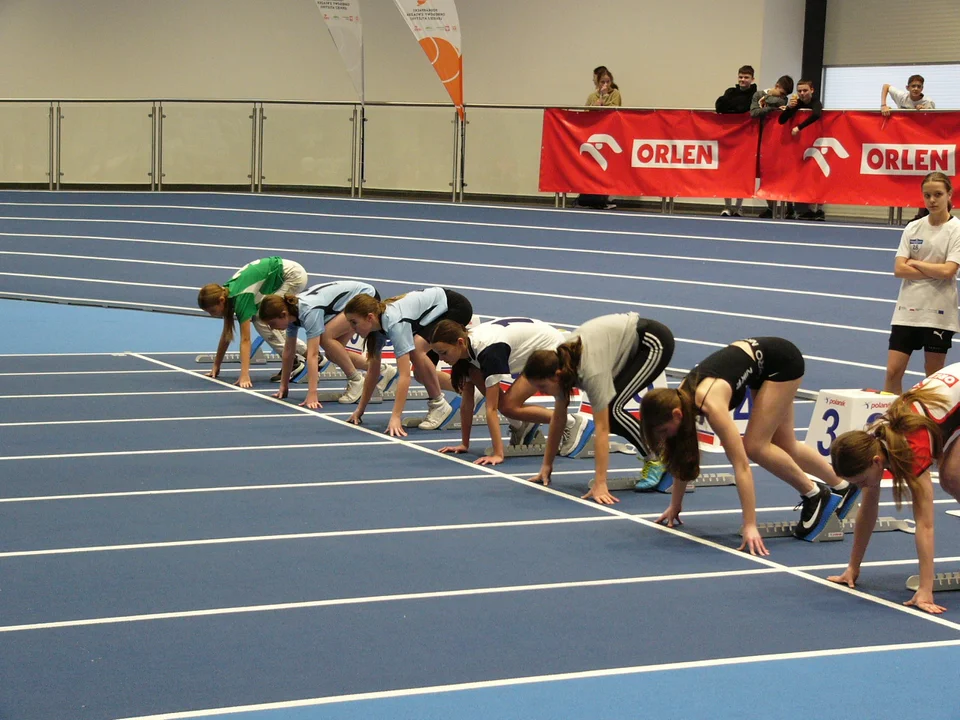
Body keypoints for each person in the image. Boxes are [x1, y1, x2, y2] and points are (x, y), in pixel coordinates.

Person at [640, 338, 859, 554]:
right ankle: (842, 487)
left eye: (663, 430)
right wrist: (675, 505)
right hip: (761, 365)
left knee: (755, 447)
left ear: (676, 415)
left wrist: (750, 524)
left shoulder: (711, 404)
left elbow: (741, 466)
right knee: (784, 444)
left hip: (781, 363)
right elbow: (683, 451)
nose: (664, 436)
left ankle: (815, 494)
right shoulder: (677, 399)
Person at [828, 365, 960, 614]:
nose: (862, 487)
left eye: (861, 481)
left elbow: (926, 524)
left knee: (951, 476)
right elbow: (868, 511)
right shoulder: (875, 446)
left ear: (877, 463)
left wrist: (926, 588)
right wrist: (853, 568)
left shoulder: (912, 448)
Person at [521, 314, 675, 505]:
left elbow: (602, 429)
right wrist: (546, 465)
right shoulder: (561, 365)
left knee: (612, 411)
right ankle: (657, 452)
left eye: (543, 387)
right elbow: (558, 418)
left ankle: (657, 456)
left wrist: (600, 483)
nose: (542, 393)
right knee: (611, 409)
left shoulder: (590, 371)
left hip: (653, 342)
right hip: (623, 346)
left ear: (557, 376)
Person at [429, 316, 567, 465]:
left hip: (551, 350)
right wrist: (464, 444)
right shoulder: (465, 353)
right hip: (532, 346)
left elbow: (492, 408)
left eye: (444, 352)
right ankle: (525, 423)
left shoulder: (489, 351)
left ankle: (571, 423)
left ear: (459, 342)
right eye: (438, 354)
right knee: (499, 397)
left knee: (508, 406)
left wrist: (498, 454)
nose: (441, 359)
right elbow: (467, 403)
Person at [343, 287, 473, 436]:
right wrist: (360, 410)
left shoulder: (394, 323)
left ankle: (438, 404)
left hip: (453, 307)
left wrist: (396, 417)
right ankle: (470, 391)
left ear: (370, 317)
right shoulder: (376, 331)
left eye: (354, 322)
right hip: (432, 314)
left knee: (417, 348)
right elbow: (373, 372)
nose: (352, 328)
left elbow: (403, 376)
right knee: (419, 374)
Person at [883, 172, 960, 395]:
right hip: (907, 311)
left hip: (939, 312)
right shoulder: (913, 228)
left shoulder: (956, 230)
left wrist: (915, 264)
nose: (932, 200)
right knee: (892, 372)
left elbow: (948, 271)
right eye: (927, 195)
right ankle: (892, 423)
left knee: (933, 377)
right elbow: (899, 269)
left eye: (938, 194)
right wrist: (932, 269)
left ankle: (935, 427)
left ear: (949, 195)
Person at [258, 280, 380, 409]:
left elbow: (313, 355)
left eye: (272, 324)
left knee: (325, 338)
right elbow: (288, 352)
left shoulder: (309, 311)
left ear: (283, 315)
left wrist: (312, 393)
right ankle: (381, 370)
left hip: (364, 297)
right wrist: (284, 385)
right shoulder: (291, 315)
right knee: (333, 352)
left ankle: (356, 380)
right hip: (349, 299)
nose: (272, 328)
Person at [197, 256, 308, 388]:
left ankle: (295, 361)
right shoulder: (227, 294)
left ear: (221, 300)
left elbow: (245, 340)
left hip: (292, 276)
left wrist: (244, 374)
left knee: (262, 318)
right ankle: (307, 355)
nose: (212, 315)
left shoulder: (241, 298)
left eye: (213, 311)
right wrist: (216, 366)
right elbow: (226, 334)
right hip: (284, 272)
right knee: (264, 318)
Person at [881, 75, 937, 222]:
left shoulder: (928, 102)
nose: (916, 89)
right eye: (913, 86)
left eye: (919, 86)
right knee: (902, 177)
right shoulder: (902, 97)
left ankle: (922, 214)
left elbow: (934, 122)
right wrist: (883, 105)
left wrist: (924, 111)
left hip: (921, 145)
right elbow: (886, 86)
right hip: (903, 144)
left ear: (922, 88)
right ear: (908, 87)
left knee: (923, 178)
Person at [715, 65, 758, 217]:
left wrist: (733, 107)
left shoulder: (756, 94)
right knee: (727, 172)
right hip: (729, 137)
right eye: (740, 77)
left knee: (742, 172)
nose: (742, 80)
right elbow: (720, 106)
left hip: (747, 138)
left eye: (746, 77)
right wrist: (733, 107)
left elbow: (744, 108)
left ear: (752, 79)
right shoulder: (730, 91)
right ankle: (727, 206)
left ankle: (739, 207)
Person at [577, 69, 622, 211]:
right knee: (592, 166)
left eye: (608, 82)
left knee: (607, 166)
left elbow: (615, 111)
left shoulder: (615, 94)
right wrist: (595, 104)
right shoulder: (592, 97)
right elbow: (585, 114)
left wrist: (603, 103)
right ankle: (590, 197)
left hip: (609, 135)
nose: (605, 84)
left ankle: (605, 197)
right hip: (593, 135)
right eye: (602, 82)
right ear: (597, 83)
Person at [779, 79, 825, 220]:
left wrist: (799, 127)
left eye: (805, 90)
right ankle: (791, 209)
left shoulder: (816, 102)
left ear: (812, 90)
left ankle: (817, 210)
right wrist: (789, 108)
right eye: (799, 91)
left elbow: (817, 114)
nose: (802, 93)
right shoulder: (796, 103)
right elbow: (781, 120)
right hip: (798, 148)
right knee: (796, 175)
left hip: (816, 145)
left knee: (816, 177)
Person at [752, 75, 795, 219]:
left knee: (782, 172)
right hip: (761, 137)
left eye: (785, 95)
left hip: (778, 139)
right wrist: (770, 108)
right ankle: (770, 207)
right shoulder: (758, 94)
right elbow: (753, 112)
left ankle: (788, 206)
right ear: (776, 86)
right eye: (782, 93)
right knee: (766, 172)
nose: (783, 97)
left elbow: (780, 103)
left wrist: (766, 103)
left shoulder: (781, 99)